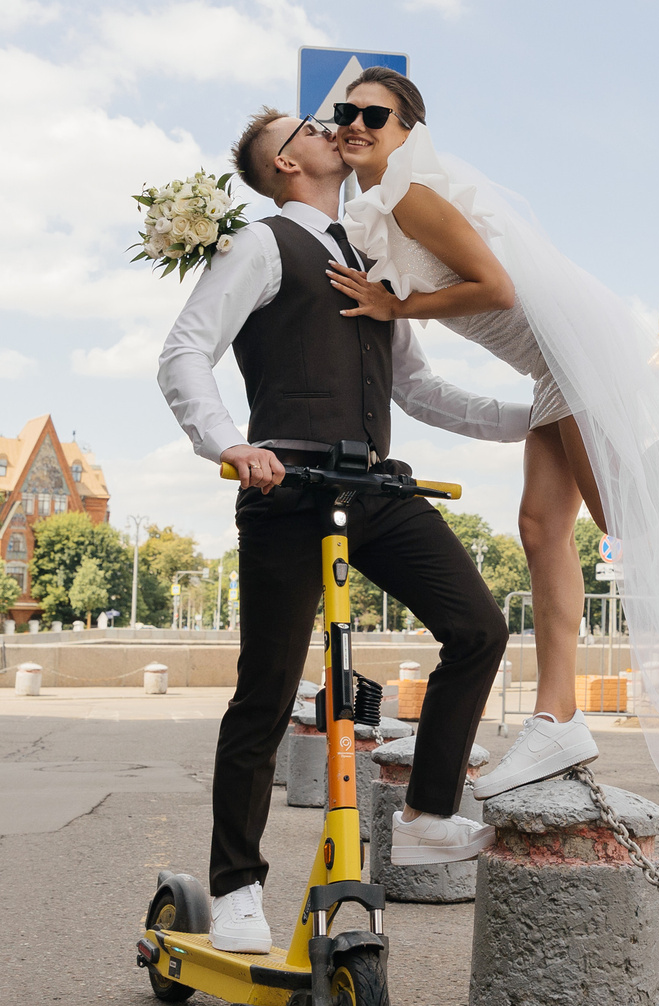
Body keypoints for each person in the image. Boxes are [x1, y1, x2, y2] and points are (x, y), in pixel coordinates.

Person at [329, 69, 659, 806]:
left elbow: (496, 286)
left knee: (622, 513)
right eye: (343, 112)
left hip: (563, 350)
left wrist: (396, 306)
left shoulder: (413, 192)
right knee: (542, 528)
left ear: (408, 128)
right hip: (549, 358)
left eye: (373, 114)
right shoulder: (389, 200)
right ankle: (559, 715)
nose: (354, 122)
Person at [155, 105, 528, 955]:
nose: (331, 126)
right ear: (286, 164)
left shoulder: (371, 254)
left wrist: (529, 417)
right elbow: (184, 353)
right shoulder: (258, 244)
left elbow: (419, 390)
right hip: (287, 484)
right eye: (311, 126)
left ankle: (431, 808)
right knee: (268, 686)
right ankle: (239, 884)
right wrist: (230, 444)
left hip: (372, 485)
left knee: (478, 625)